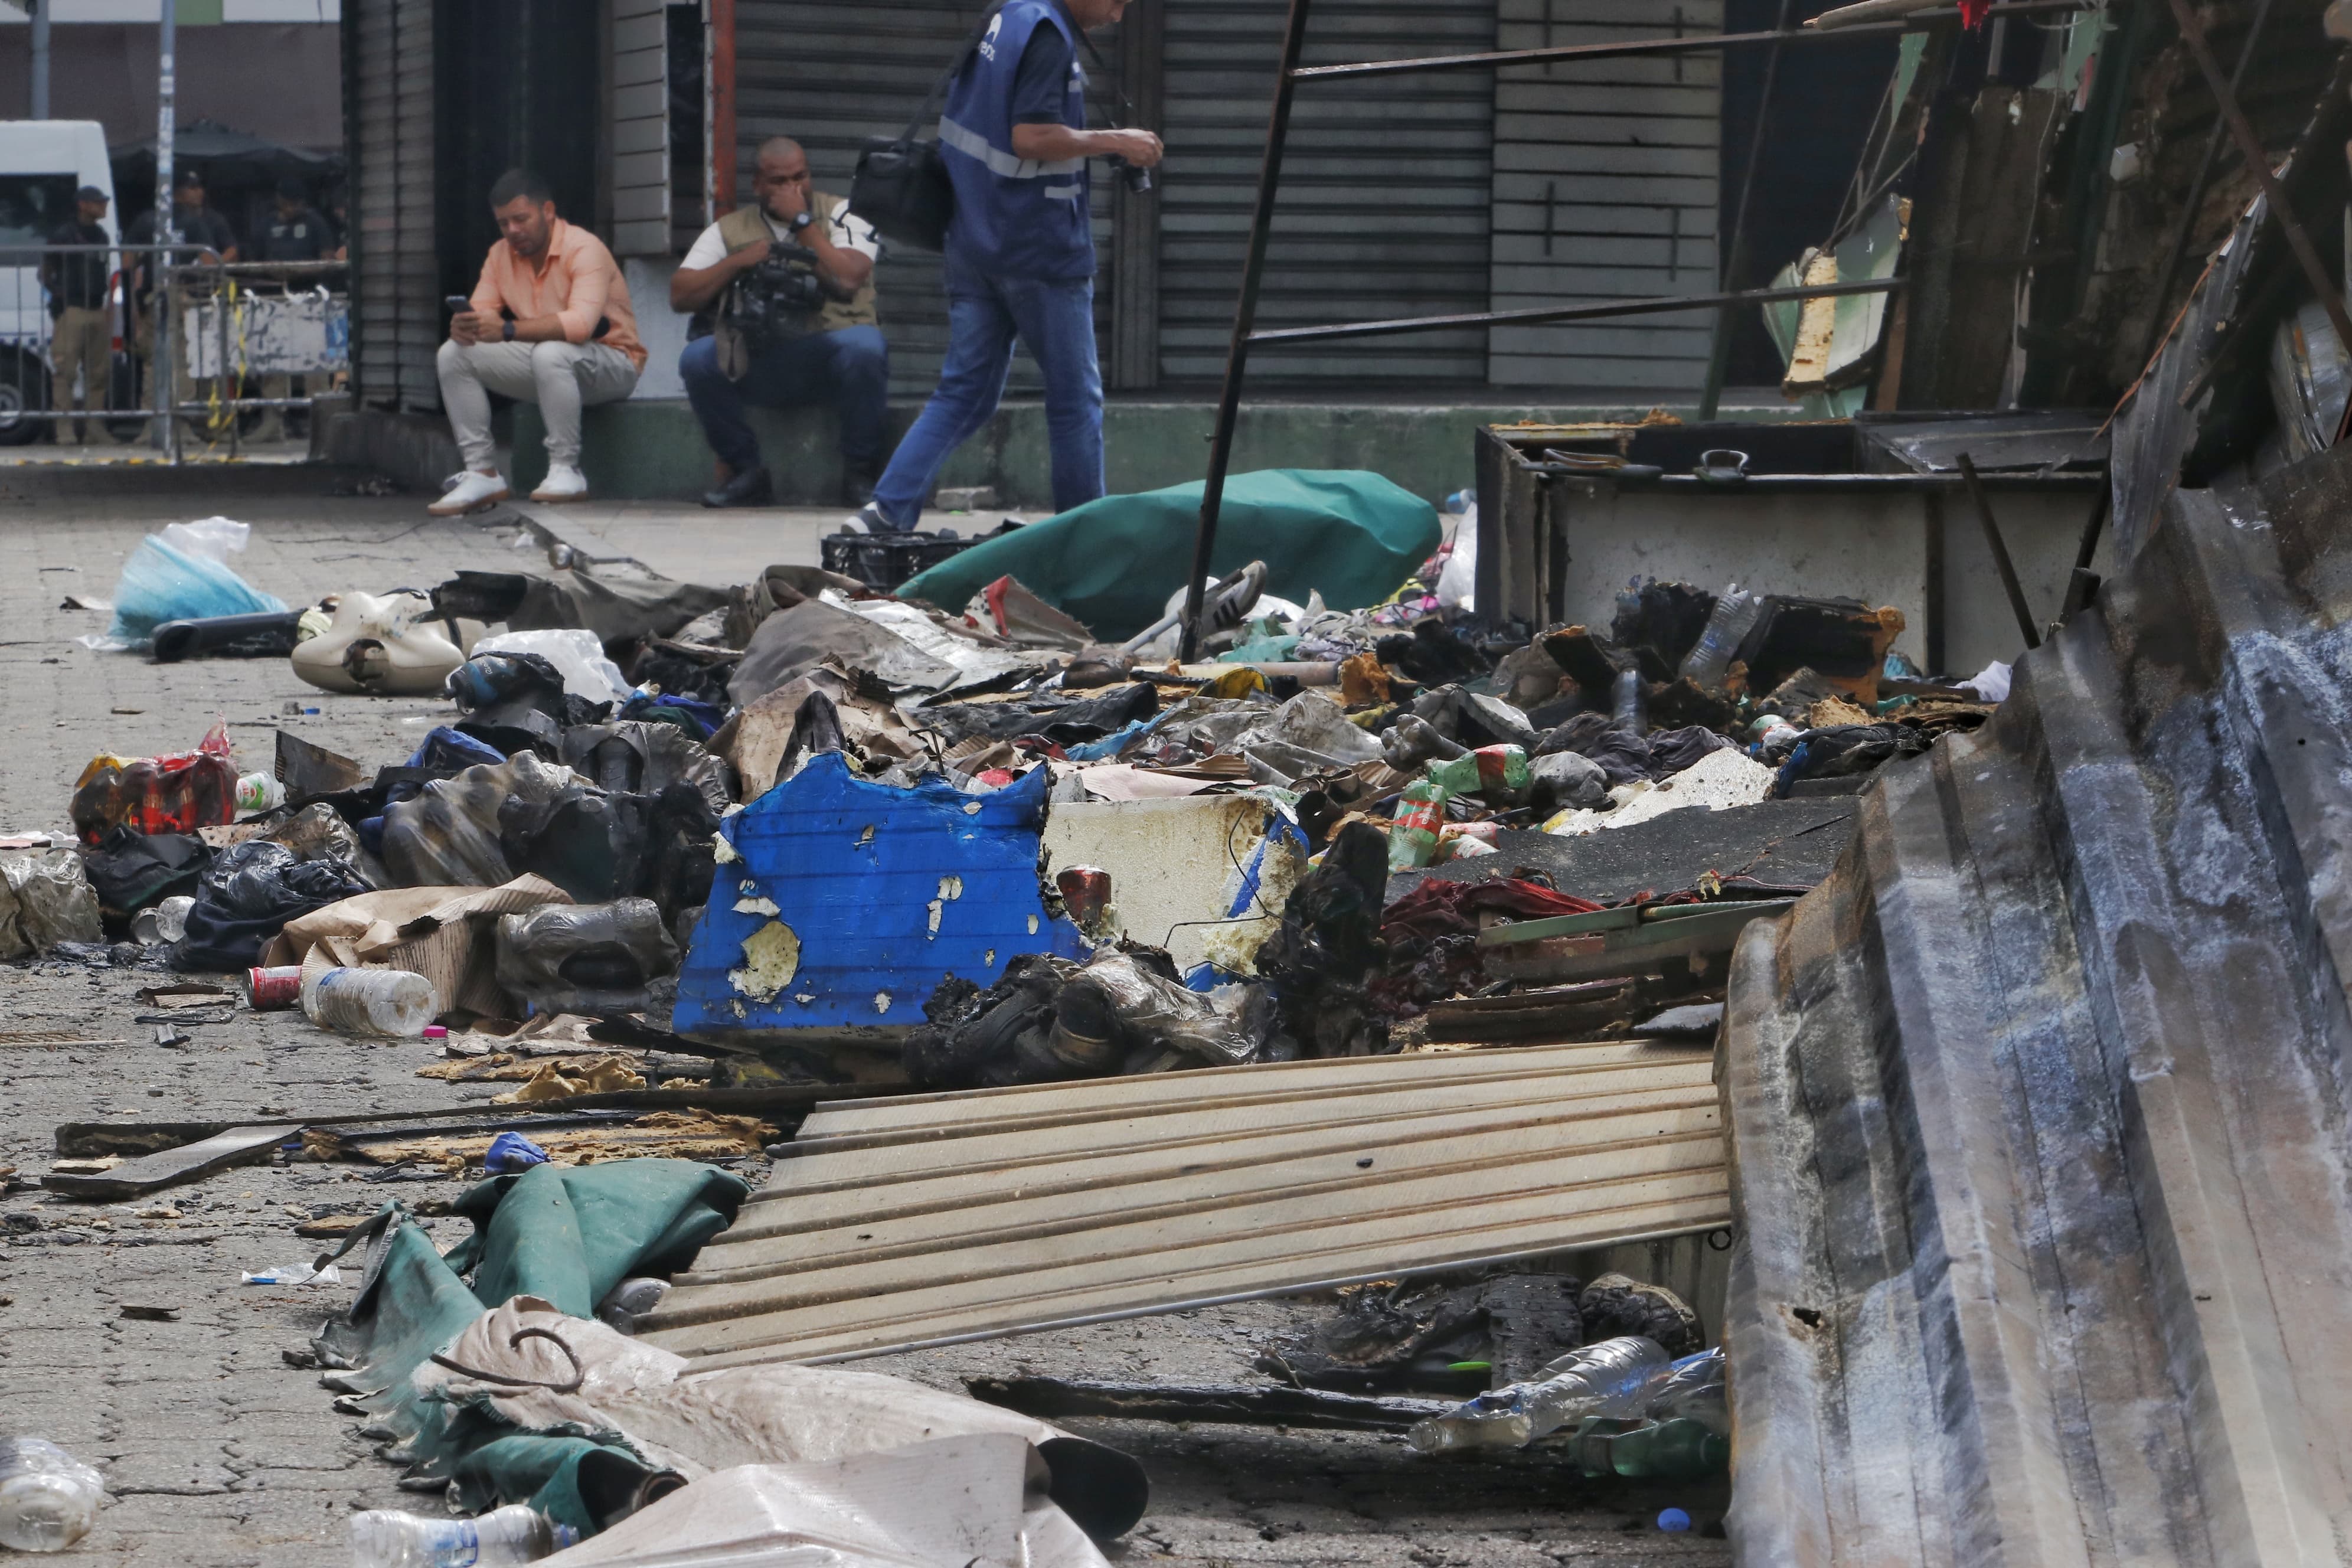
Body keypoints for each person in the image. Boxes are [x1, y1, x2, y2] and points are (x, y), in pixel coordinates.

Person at [848, 0, 1161, 534]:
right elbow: (1030, 137)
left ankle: (884, 512)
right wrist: (1117, 141)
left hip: (975, 241)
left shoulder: (1008, 17)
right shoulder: (1047, 36)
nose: (1122, 7)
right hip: (1037, 249)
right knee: (1074, 401)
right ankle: (1083, 536)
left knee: (965, 391)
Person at [672, 136, 888, 509]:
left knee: (865, 347)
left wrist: (803, 225)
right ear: (757, 185)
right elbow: (680, 295)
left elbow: (851, 276)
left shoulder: (843, 214)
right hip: (761, 360)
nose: (792, 188)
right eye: (779, 181)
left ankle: (860, 473)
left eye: (800, 177)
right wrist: (738, 262)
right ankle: (747, 473)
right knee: (698, 359)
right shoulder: (730, 230)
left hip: (827, 355)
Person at [431, 169, 645, 515]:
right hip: (549, 365)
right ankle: (482, 472)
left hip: (614, 366)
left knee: (551, 352)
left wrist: (508, 331)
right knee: (454, 353)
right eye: (503, 223)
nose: (513, 231)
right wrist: (467, 326)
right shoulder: (500, 254)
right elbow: (484, 315)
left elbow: (581, 325)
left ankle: (566, 470)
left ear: (547, 212)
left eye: (521, 219)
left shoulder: (584, 248)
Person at [125, 169, 238, 437]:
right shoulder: (190, 221)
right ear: (176, 193)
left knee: (156, 361)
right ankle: (180, 426)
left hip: (157, 297)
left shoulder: (147, 220)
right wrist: (192, 278)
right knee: (181, 362)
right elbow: (210, 260)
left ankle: (155, 424)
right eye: (191, 188)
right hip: (178, 296)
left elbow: (127, 264)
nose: (197, 192)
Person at [253, 176, 335, 445]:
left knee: (315, 365)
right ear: (279, 200)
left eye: (297, 204)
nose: (292, 208)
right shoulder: (267, 223)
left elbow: (328, 260)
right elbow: (255, 260)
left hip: (310, 298)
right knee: (274, 363)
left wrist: (302, 270)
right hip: (275, 298)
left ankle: (320, 425)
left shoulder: (314, 222)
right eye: (288, 203)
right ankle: (273, 424)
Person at [42, 186, 113, 446]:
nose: (104, 206)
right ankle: (65, 430)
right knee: (65, 372)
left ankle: (95, 428)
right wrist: (60, 298)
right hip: (72, 309)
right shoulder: (64, 235)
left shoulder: (101, 235)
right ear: (83, 205)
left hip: (96, 308)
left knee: (99, 373)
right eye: (98, 202)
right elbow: (46, 272)